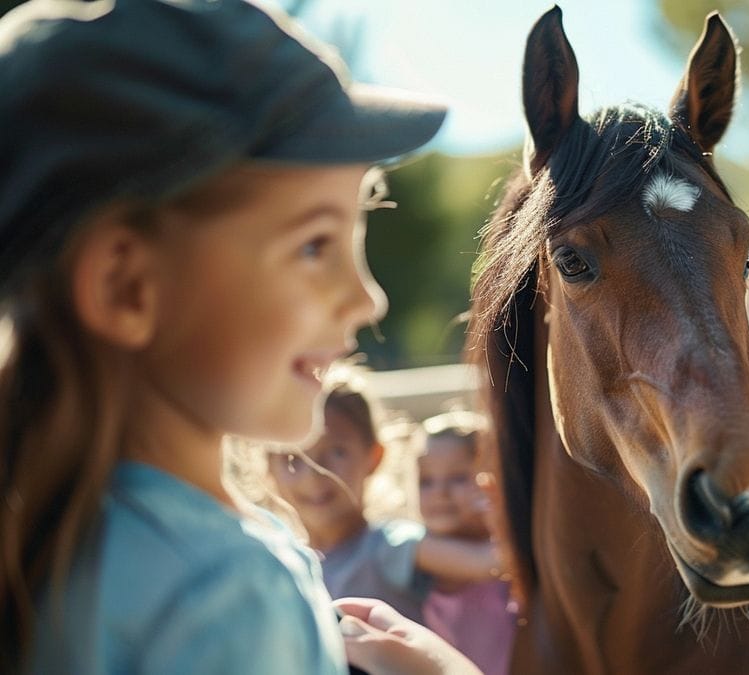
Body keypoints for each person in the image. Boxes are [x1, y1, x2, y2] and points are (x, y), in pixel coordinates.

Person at [0, 1, 477, 673]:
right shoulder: (229, 591)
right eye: (315, 245)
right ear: (126, 286)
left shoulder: (57, 536)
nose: (368, 295)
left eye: (356, 231)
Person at [266, 378, 502, 626]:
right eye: (292, 458)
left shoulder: (392, 545)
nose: (314, 475)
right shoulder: (278, 563)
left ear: (374, 456)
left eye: (336, 452)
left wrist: (498, 512)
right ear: (268, 467)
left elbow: (489, 562)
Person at [416, 411, 517, 675]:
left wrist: (497, 517)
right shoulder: (416, 553)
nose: (440, 492)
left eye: (459, 478)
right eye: (425, 481)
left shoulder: (510, 559)